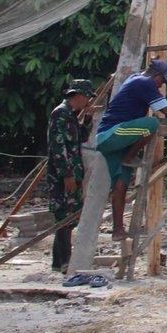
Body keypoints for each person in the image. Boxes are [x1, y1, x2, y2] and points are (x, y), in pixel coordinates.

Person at [93, 58, 167, 240]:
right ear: (156, 75)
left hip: (107, 139)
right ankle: (130, 156)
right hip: (113, 133)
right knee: (151, 124)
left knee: (120, 184)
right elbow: (165, 110)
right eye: (162, 81)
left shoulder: (135, 79)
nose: (161, 86)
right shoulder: (144, 82)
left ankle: (117, 231)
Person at [46, 79, 93, 273]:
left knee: (70, 215)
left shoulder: (71, 115)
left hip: (73, 172)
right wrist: (66, 174)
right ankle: (64, 261)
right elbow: (58, 146)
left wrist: (88, 120)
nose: (88, 101)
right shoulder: (60, 114)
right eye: (87, 97)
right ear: (78, 95)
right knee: (63, 215)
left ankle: (60, 262)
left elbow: (80, 138)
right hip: (62, 175)